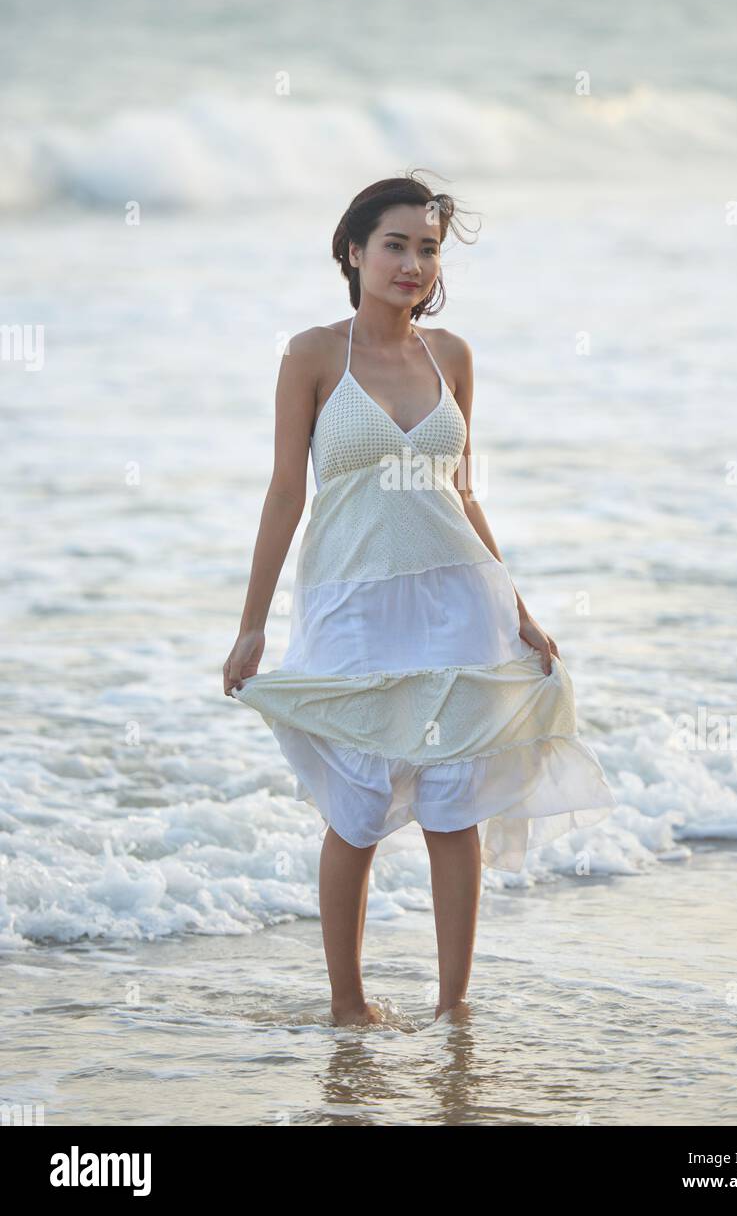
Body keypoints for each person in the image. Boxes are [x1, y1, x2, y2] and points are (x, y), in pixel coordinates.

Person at [224, 170, 617, 1026]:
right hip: (352, 602)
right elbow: (286, 493)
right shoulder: (313, 355)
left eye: (427, 249)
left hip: (455, 598)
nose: (411, 264)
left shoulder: (453, 358)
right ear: (353, 252)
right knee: (357, 809)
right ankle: (347, 1003)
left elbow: (463, 491)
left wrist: (516, 605)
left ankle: (451, 1010)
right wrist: (252, 625)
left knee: (451, 807)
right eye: (395, 245)